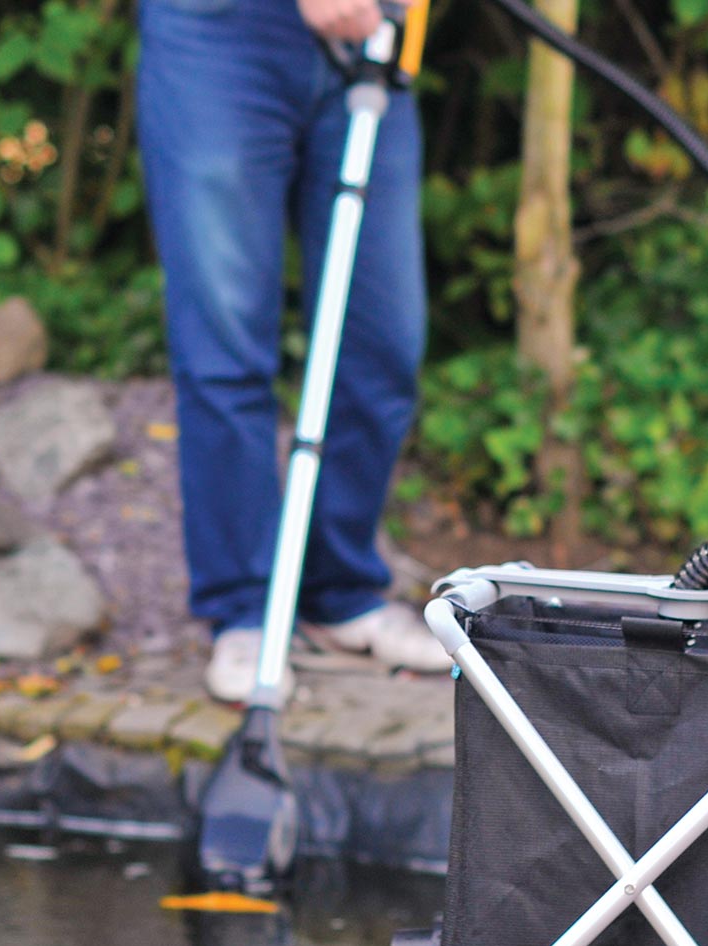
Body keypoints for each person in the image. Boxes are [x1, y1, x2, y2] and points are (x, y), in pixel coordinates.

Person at [137, 0, 448, 703]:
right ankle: (245, 610)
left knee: (382, 344)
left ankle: (340, 594)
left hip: (374, 34)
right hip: (219, 32)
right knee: (224, 343)